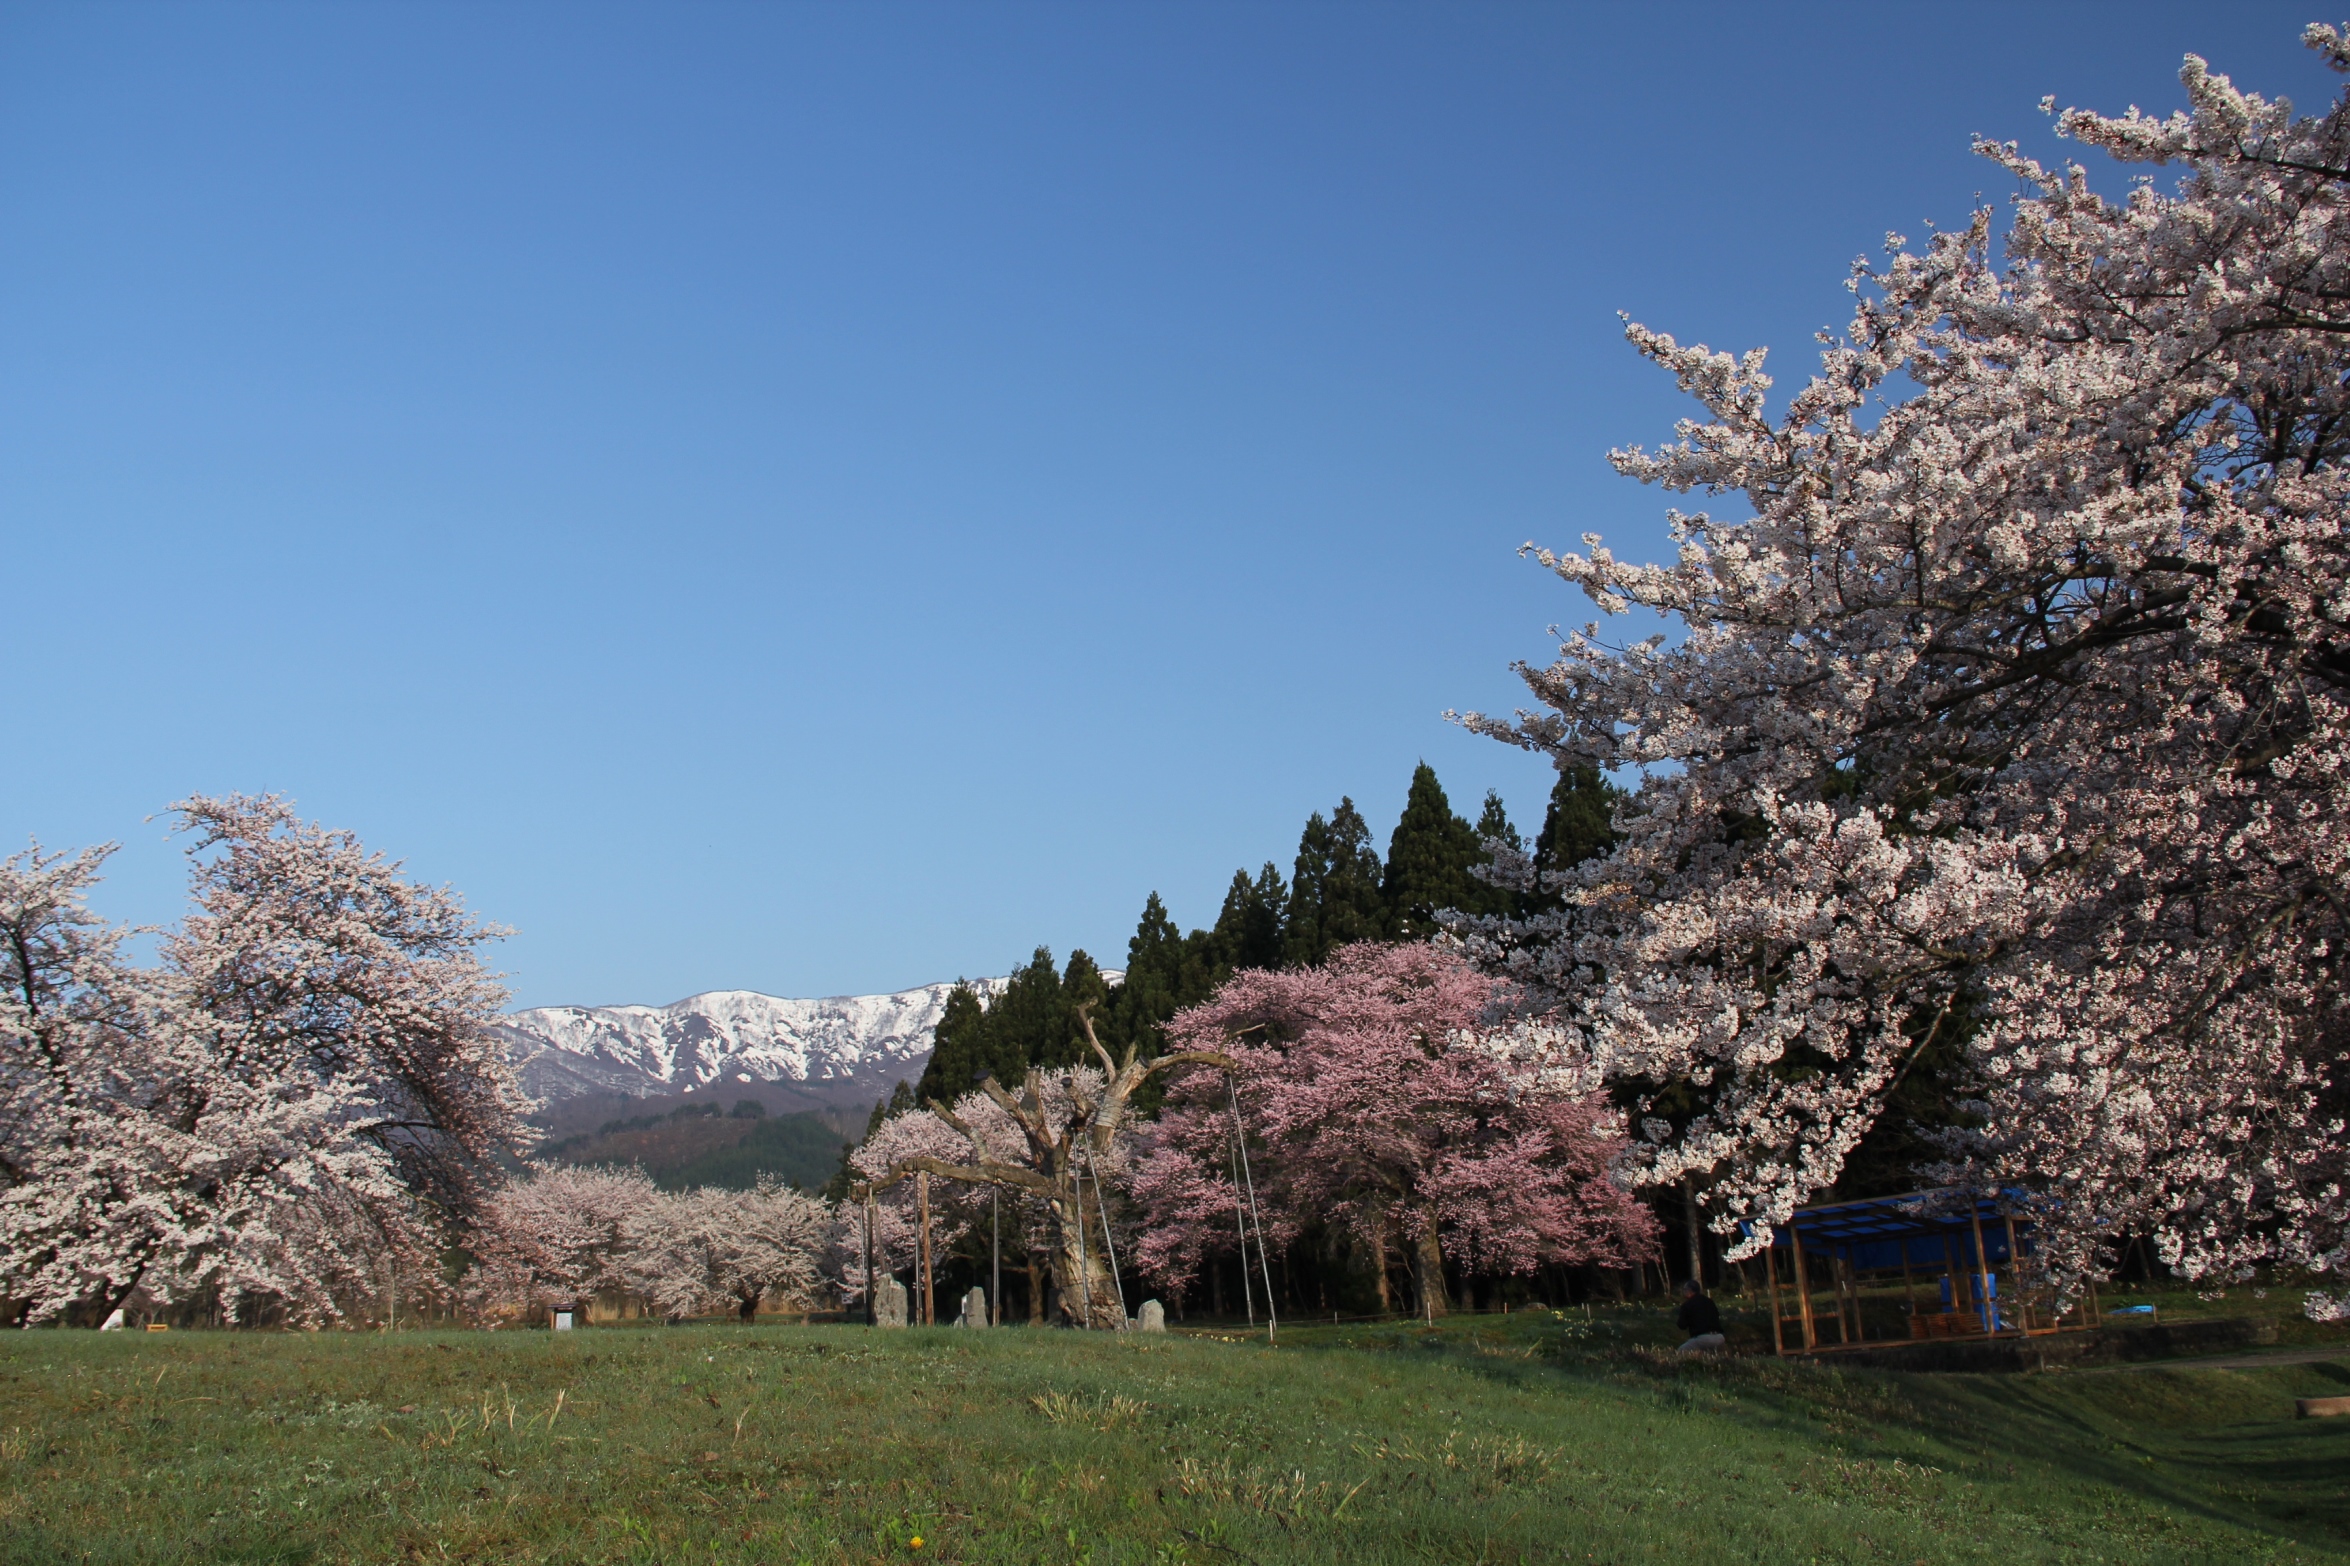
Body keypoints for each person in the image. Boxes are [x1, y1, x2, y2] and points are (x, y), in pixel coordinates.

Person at [1675, 1277, 1726, 1355]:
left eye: (1684, 1289)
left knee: (1680, 1352)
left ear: (1689, 1291)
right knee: (1717, 1357)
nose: (1683, 1292)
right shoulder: (1710, 1302)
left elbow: (1681, 1325)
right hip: (1719, 1337)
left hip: (1703, 1338)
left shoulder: (1687, 1305)